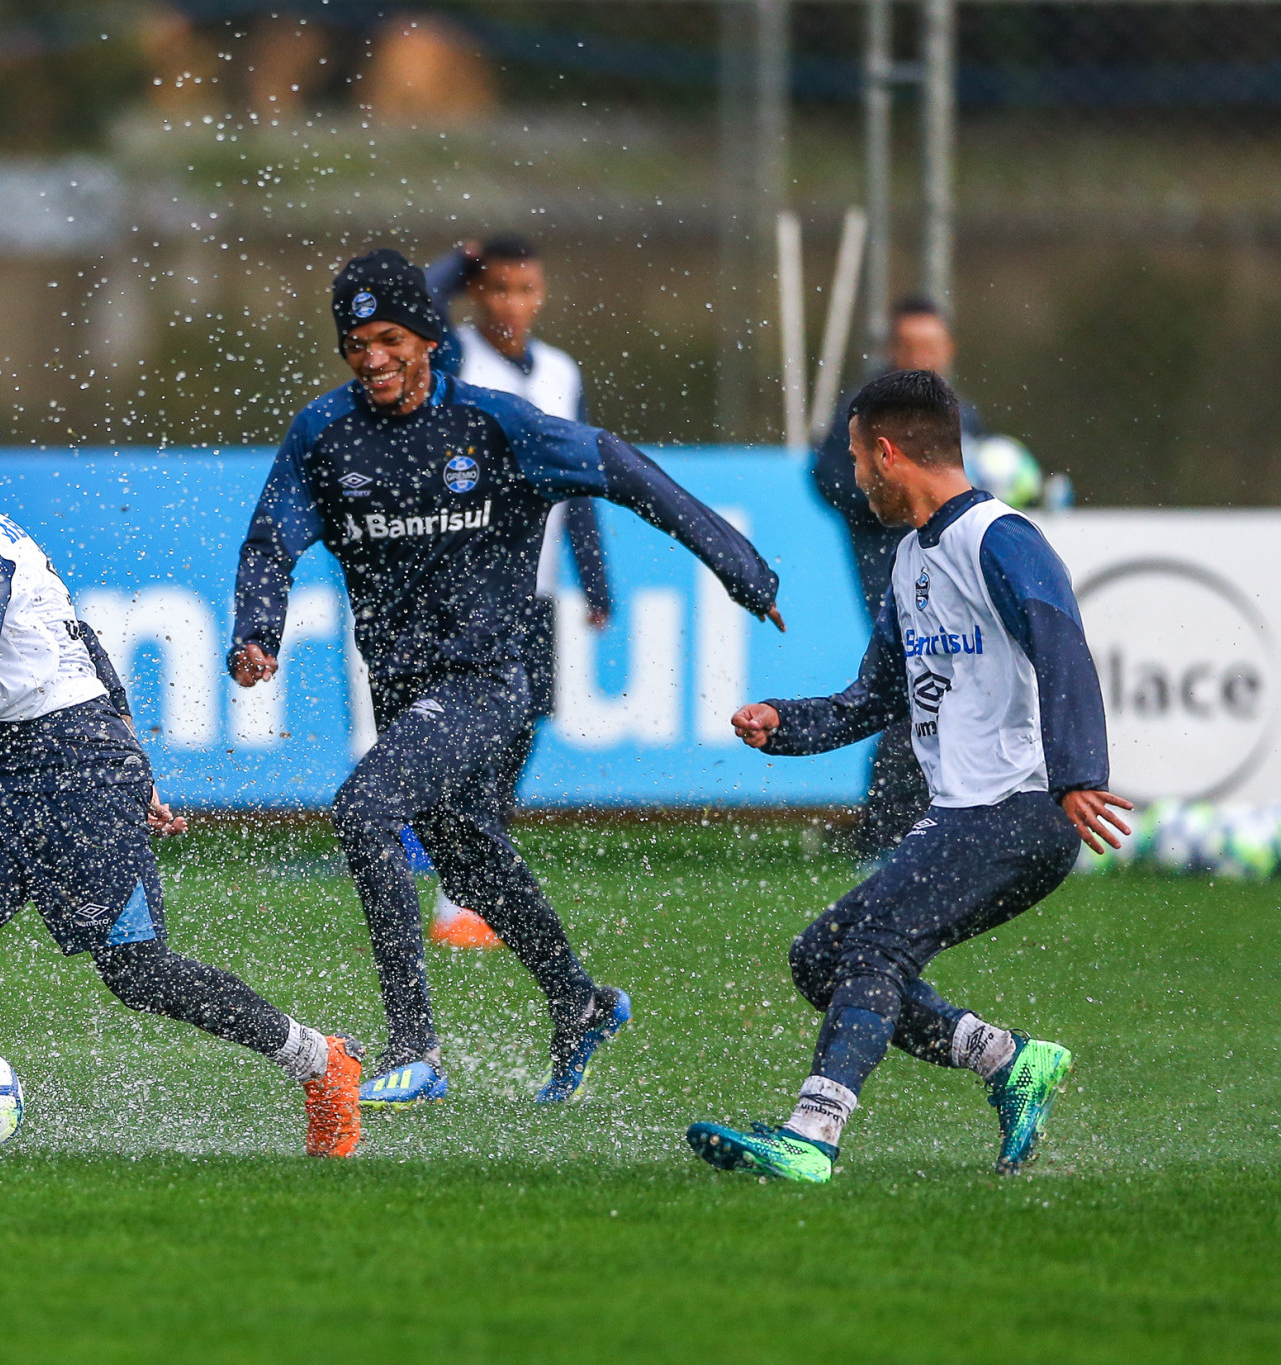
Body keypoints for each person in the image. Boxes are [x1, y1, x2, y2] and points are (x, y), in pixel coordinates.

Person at [230, 249, 784, 1110]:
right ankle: (580, 1000)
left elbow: (620, 468)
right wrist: (256, 629)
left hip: (490, 677)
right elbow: (271, 537)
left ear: (424, 338)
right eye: (354, 344)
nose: (372, 358)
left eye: (388, 339)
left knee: (364, 808)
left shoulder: (497, 425)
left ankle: (414, 1046)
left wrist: (739, 564)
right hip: (405, 690)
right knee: (469, 854)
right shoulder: (323, 433)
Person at [0, 432, 364, 1162]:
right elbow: (85, 643)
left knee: (139, 970)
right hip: (26, 765)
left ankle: (323, 1064)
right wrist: (140, 759)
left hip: (72, 763)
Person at [688, 369, 1131, 1184]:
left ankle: (812, 1136)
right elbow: (875, 699)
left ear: (888, 454)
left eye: (858, 460)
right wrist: (788, 723)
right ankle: (1006, 1059)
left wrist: (1076, 773)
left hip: (1022, 808)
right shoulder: (909, 562)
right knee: (819, 958)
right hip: (964, 814)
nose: (854, 478)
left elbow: (1061, 639)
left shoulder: (1000, 537)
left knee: (879, 944)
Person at [413, 234, 613, 950]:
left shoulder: (561, 371)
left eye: (524, 290)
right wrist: (453, 263)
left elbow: (580, 479)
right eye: (496, 288)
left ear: (541, 294)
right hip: (464, 587)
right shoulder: (457, 355)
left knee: (521, 728)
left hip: (539, 587)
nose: (511, 304)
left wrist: (596, 578)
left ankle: (467, 866)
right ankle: (457, 885)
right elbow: (416, 305)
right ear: (477, 292)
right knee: (476, 731)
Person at [813, 298, 983, 862]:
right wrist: (888, 500)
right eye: (909, 348)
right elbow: (829, 476)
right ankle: (888, 831)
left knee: (934, 682)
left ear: (949, 351)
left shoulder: (964, 416)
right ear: (891, 353)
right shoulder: (867, 412)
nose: (920, 358)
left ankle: (929, 822)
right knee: (915, 682)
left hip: (954, 564)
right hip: (888, 563)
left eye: (929, 348)